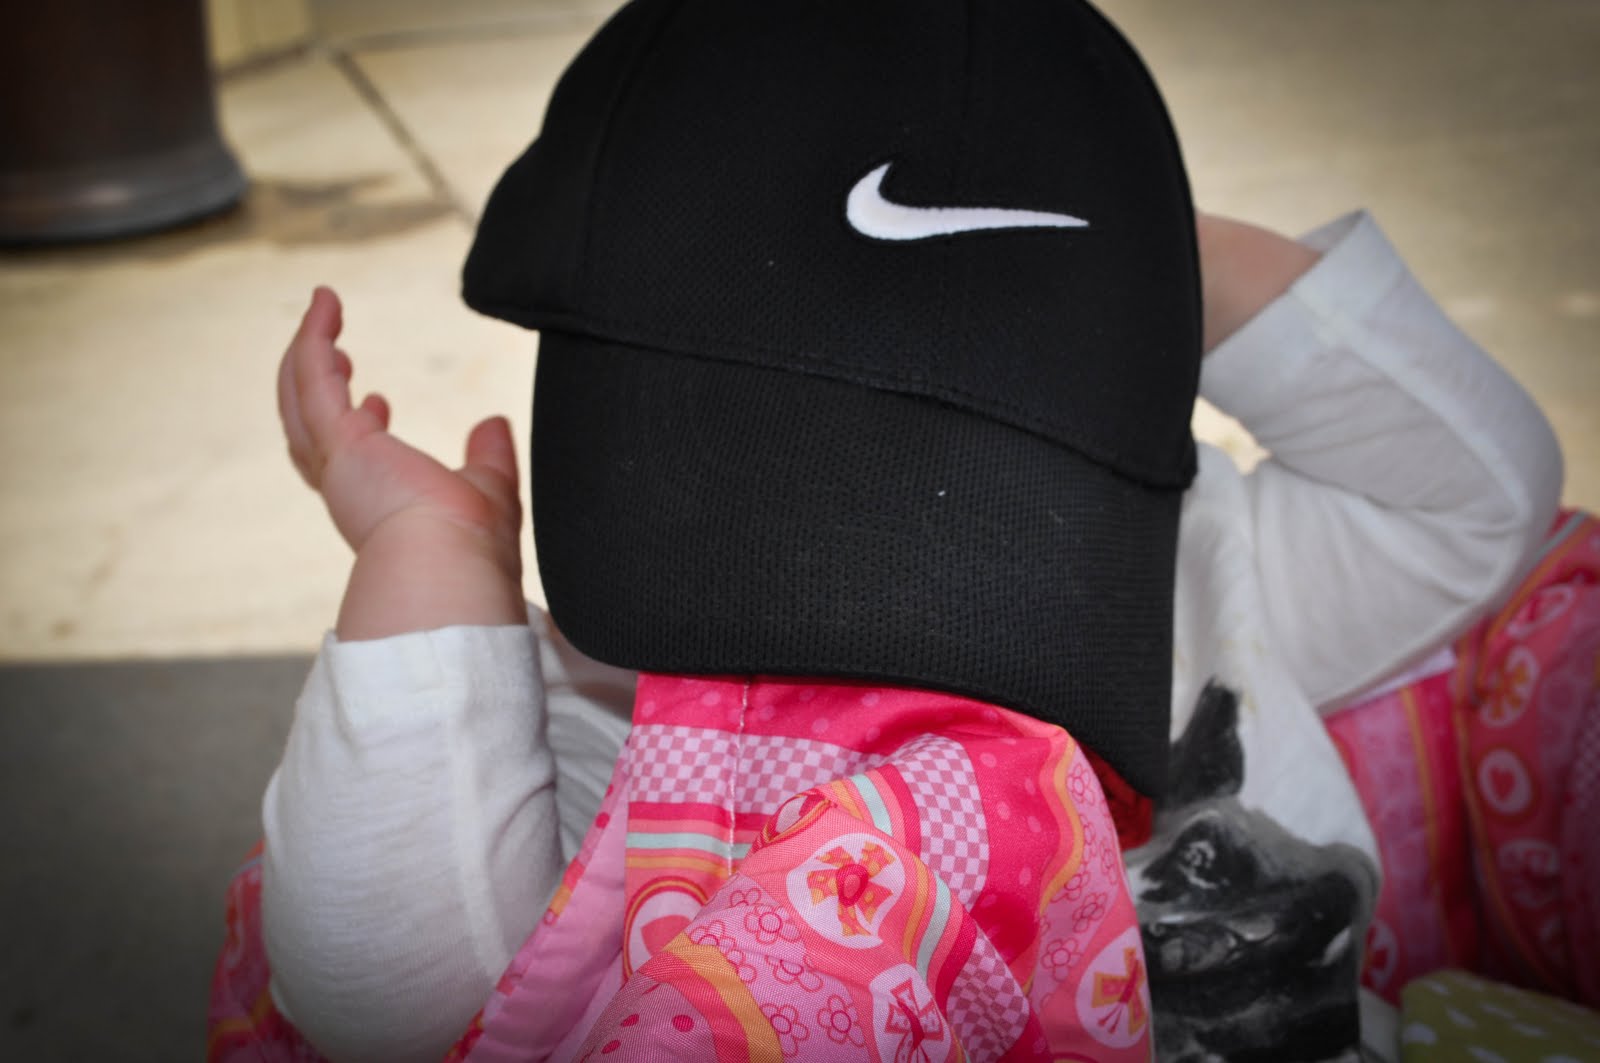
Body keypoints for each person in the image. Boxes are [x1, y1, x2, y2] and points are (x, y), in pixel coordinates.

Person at [210, 1, 1564, 1060]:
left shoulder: (1211, 578)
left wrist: (1146, 260)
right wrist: (432, 560)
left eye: (988, 519)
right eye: (766, 481)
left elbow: (1477, 507)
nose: (888, 640)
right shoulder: (604, 713)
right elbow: (392, 1006)